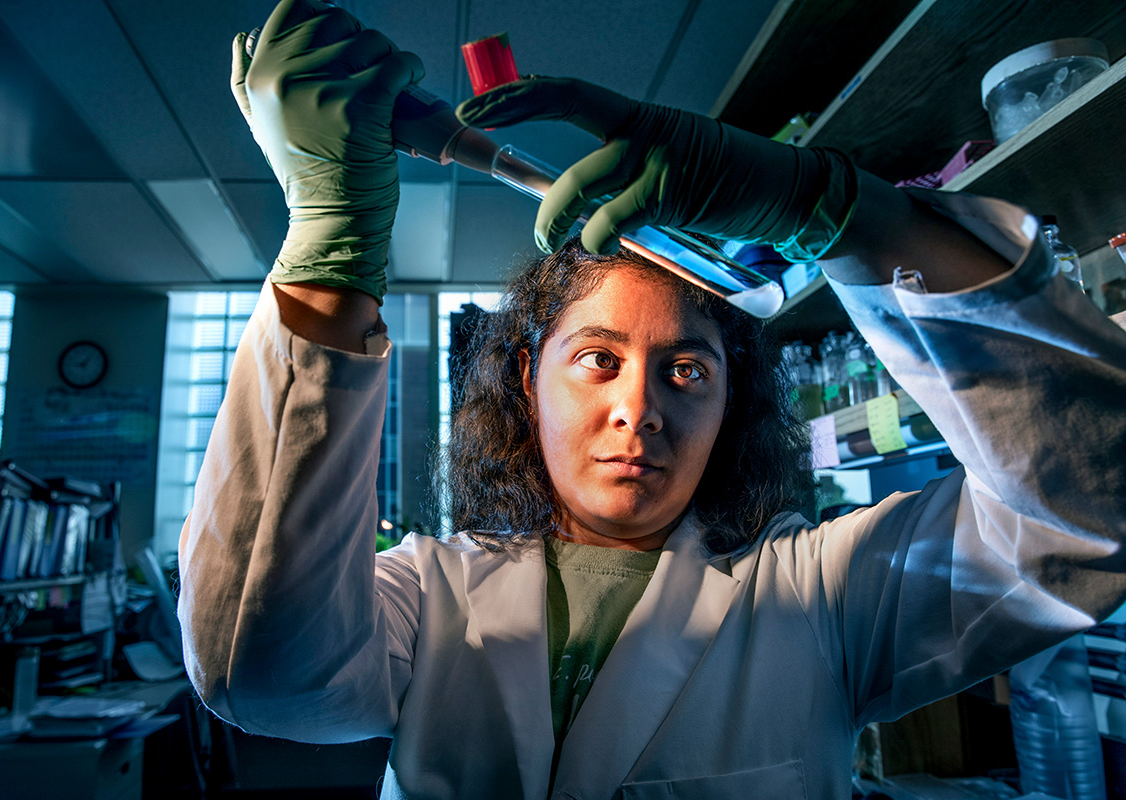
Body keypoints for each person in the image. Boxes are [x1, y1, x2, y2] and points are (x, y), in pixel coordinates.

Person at [177, 1, 1126, 798]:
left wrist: (846, 209)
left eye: (687, 370)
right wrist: (330, 246)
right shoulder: (428, 597)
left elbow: (1087, 512)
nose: (641, 409)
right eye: (596, 359)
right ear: (526, 383)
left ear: (730, 407)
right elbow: (256, 671)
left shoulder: (824, 594)